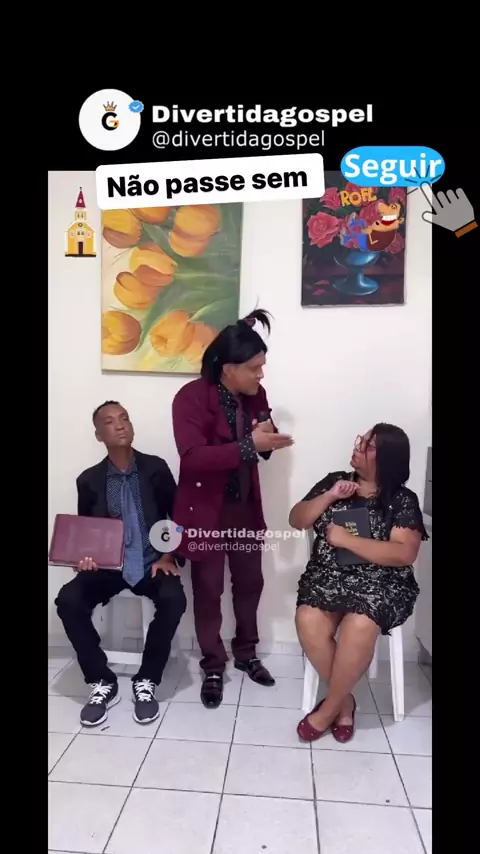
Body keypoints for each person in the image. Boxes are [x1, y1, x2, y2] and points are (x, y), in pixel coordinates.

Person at [172, 310, 294, 708]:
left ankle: (246, 653)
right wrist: (249, 445)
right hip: (204, 512)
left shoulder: (256, 395)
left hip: (243, 506)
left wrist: (267, 439)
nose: (261, 375)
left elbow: (262, 441)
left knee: (250, 584)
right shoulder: (190, 398)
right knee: (208, 590)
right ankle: (212, 664)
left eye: (263, 366)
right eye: (255, 368)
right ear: (229, 369)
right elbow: (193, 458)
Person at [290, 423, 427, 743]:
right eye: (361, 440)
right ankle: (345, 703)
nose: (358, 446)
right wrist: (330, 496)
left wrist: (346, 540)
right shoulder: (335, 481)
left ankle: (328, 710)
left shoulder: (402, 499)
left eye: (369, 445)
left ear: (387, 458)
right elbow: (297, 520)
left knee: (361, 623)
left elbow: (404, 553)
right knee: (307, 618)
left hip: (381, 583)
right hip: (327, 576)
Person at [55, 401, 187, 727]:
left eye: (124, 418)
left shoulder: (156, 468)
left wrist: (168, 555)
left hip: (152, 562)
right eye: (110, 422)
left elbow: (177, 516)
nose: (120, 425)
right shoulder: (88, 480)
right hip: (108, 568)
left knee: (174, 598)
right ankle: (101, 680)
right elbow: (87, 530)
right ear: (98, 435)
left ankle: (147, 679)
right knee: (68, 600)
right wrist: (84, 559)